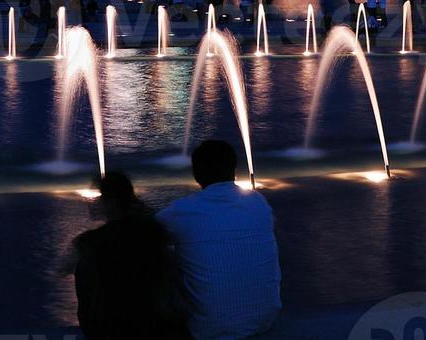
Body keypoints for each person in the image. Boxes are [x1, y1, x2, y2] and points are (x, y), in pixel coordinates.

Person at [155, 140, 280, 340]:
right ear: (234, 169)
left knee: (161, 254)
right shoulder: (258, 202)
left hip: (206, 329)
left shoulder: (180, 212)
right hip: (265, 319)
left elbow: (144, 235)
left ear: (196, 174)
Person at [71, 172, 191, 340]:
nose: (93, 202)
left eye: (98, 197)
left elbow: (88, 307)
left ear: (110, 202)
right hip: (161, 330)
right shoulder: (154, 232)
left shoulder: (92, 243)